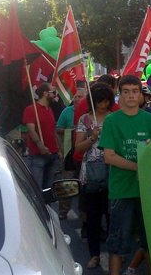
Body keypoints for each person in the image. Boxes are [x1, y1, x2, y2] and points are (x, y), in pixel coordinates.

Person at [99, 75, 151, 275]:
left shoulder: (150, 120)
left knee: (150, 242)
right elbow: (108, 157)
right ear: (119, 95)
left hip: (147, 191)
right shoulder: (111, 121)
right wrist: (138, 166)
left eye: (135, 91)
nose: (130, 96)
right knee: (117, 243)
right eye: (125, 92)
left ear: (141, 95)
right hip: (122, 191)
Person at [74, 83, 115, 270]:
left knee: (112, 215)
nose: (103, 104)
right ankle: (94, 254)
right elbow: (78, 147)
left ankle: (116, 255)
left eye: (106, 100)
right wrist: (92, 137)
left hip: (113, 171)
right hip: (90, 174)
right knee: (93, 217)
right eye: (100, 100)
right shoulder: (85, 119)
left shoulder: (114, 118)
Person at [23, 83, 60, 190]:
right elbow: (31, 130)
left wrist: (59, 150)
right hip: (38, 156)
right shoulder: (31, 109)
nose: (55, 95)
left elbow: (53, 131)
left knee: (49, 190)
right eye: (53, 93)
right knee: (37, 189)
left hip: (52, 154)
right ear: (45, 93)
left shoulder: (50, 110)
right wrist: (40, 145)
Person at [56, 87, 85, 220]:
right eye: (76, 96)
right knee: (67, 182)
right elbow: (58, 129)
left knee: (84, 185)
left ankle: (84, 214)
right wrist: (71, 130)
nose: (77, 99)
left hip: (84, 155)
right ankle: (63, 210)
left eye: (80, 96)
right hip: (69, 152)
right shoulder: (67, 111)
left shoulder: (89, 113)